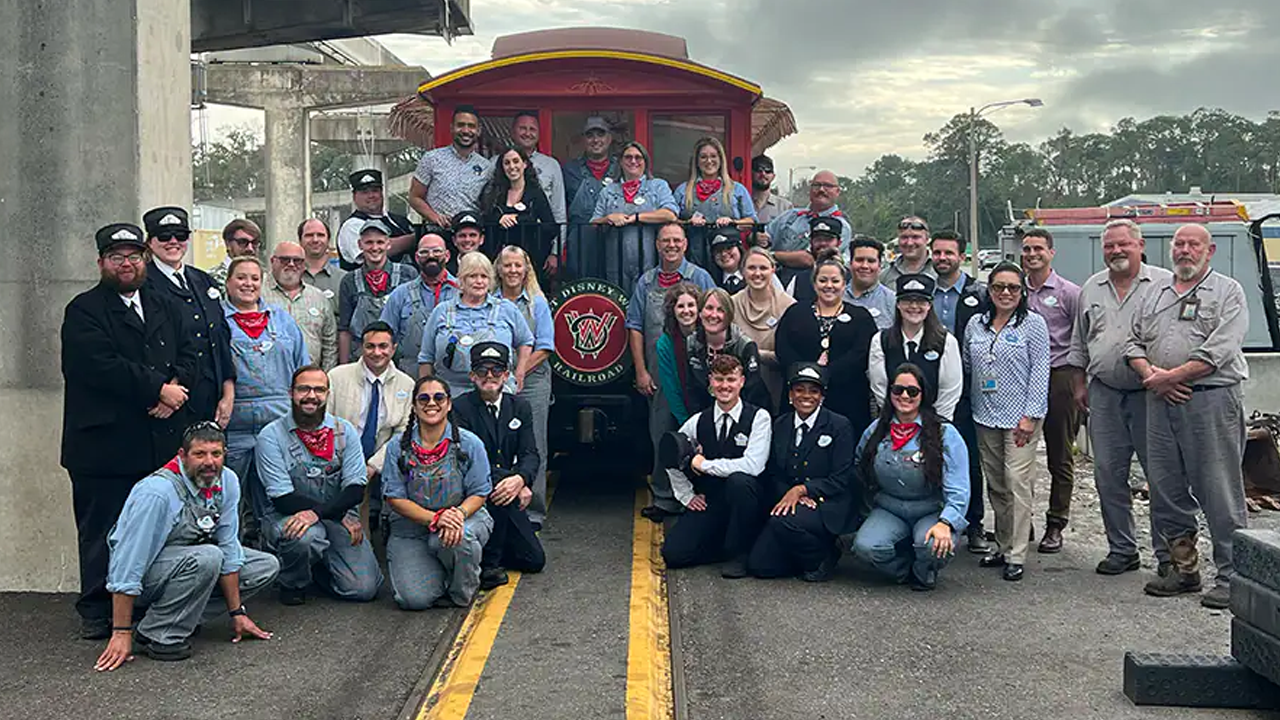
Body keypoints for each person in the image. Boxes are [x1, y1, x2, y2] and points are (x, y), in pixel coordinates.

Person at [61, 222, 199, 640]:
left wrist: (173, 393)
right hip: (103, 445)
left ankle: (143, 604)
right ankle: (98, 609)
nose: (127, 264)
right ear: (102, 262)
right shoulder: (83, 310)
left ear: (145, 259)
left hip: (156, 439)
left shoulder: (163, 303)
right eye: (117, 257)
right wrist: (157, 389)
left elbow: (190, 352)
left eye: (134, 256)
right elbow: (99, 366)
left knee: (153, 527)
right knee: (103, 530)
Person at [1125, 223, 1249, 609]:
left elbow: (1221, 349)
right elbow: (1132, 341)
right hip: (1160, 402)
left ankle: (1233, 577)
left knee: (1219, 490)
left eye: (1194, 244)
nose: (1184, 250)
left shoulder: (1228, 291)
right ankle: (1183, 570)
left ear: (1209, 252)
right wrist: (1151, 376)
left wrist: (1171, 377)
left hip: (1210, 400)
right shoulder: (1153, 293)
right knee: (1165, 488)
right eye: (1179, 244)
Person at [94, 423, 277, 669]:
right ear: (182, 455)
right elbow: (128, 563)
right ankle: (158, 632)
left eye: (216, 454)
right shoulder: (157, 493)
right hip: (147, 577)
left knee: (264, 565)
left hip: (190, 564)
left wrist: (237, 613)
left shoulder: (228, 481)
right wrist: (120, 631)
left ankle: (175, 618)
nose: (209, 462)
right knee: (209, 557)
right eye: (199, 454)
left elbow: (229, 546)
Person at [1066, 219, 1184, 578]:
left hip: (1152, 395)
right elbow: (1079, 340)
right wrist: (1079, 384)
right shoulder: (1092, 287)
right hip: (1104, 393)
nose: (1116, 251)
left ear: (1140, 245)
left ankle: (1168, 554)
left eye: (1123, 245)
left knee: (1162, 475)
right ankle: (1122, 549)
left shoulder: (1165, 284)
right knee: (1108, 474)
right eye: (1109, 246)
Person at [253, 366, 382, 605]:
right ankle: (293, 581)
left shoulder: (345, 432)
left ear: (327, 394)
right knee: (305, 538)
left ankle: (319, 569)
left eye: (319, 390)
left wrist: (323, 514)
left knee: (364, 590)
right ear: (291, 392)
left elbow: (355, 490)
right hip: (289, 516)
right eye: (304, 389)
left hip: (335, 517)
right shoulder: (270, 436)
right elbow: (283, 498)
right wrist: (333, 513)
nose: (311, 396)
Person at [964, 262, 1050, 582]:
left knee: (1017, 483)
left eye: (1013, 287)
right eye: (999, 286)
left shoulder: (1033, 325)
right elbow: (967, 364)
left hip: (1020, 419)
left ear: (1022, 292)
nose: (1005, 293)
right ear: (989, 290)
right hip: (984, 415)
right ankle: (1001, 545)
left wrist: (1030, 416)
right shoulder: (976, 324)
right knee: (997, 484)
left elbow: (1041, 371)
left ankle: (1017, 553)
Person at [851, 364, 970, 591]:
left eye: (912, 391)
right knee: (866, 547)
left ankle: (924, 570)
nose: (904, 396)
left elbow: (959, 487)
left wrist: (946, 522)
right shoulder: (876, 430)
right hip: (889, 508)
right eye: (898, 390)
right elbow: (859, 467)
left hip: (930, 509)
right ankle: (902, 570)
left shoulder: (944, 433)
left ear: (923, 395)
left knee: (933, 545)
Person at [626, 223, 716, 521]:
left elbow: (713, 319)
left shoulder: (700, 277)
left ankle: (702, 496)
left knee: (700, 436)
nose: (672, 245)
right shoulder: (646, 282)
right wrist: (641, 370)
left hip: (698, 375)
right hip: (661, 372)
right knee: (662, 435)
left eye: (677, 240)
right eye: (666, 241)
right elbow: (635, 327)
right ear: (657, 245)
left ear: (686, 244)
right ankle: (665, 499)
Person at [382, 375, 493, 609]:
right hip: (411, 530)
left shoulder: (470, 443)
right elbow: (394, 498)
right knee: (413, 600)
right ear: (413, 406)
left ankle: (462, 590)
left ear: (449, 403)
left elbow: (480, 493)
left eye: (438, 397)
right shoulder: (397, 447)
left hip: (463, 519)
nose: (431, 403)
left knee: (457, 538)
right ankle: (442, 572)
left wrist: (457, 516)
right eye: (423, 398)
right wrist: (436, 519)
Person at [660, 354, 772, 578]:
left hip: (747, 501)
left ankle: (739, 552)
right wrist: (686, 495)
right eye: (719, 380)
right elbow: (671, 456)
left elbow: (753, 465)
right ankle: (722, 544)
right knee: (674, 555)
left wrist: (704, 464)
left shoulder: (760, 418)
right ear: (710, 381)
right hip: (711, 501)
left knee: (740, 481)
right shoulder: (697, 421)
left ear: (742, 381)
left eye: (731, 379)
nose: (725, 386)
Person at [748, 363, 855, 582]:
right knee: (760, 566)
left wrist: (805, 490)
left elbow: (841, 478)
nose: (806, 396)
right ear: (790, 394)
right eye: (799, 389)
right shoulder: (780, 424)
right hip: (791, 502)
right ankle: (807, 554)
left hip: (827, 504)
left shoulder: (839, 426)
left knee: (781, 522)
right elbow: (774, 472)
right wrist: (791, 495)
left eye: (814, 390)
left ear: (822, 396)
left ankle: (822, 556)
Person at [452, 342, 547, 590]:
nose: (490, 377)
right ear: (473, 376)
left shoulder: (519, 407)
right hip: (473, 491)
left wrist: (521, 479)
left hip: (508, 488)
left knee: (534, 560)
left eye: (497, 371)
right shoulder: (460, 408)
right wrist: (512, 481)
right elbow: (469, 459)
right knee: (499, 493)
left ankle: (488, 550)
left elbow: (530, 454)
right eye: (482, 371)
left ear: (507, 375)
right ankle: (489, 565)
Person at [222, 257, 310, 500]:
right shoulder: (216, 321)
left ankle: (271, 539)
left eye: (255, 279)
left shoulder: (282, 320)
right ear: (228, 283)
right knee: (230, 497)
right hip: (234, 425)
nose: (248, 284)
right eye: (241, 277)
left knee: (276, 496)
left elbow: (303, 369)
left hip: (279, 421)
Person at [141, 206, 236, 426]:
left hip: (210, 397)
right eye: (164, 236)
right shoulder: (142, 285)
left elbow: (221, 340)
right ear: (150, 241)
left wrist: (228, 393)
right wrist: (163, 391)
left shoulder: (203, 281)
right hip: (169, 400)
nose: (173, 241)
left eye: (180, 235)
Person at [1020, 228, 1082, 554]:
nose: (1032, 254)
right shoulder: (1015, 291)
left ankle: (1056, 524)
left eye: (1038, 249)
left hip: (1059, 377)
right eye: (1027, 249)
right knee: (1018, 455)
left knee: (1059, 455)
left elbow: (1082, 337)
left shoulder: (1069, 293)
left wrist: (1079, 381)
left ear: (1051, 253)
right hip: (1022, 377)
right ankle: (1020, 521)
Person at [929, 230, 991, 553]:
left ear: (961, 254)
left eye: (948, 253)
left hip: (966, 389)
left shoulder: (978, 293)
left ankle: (974, 523)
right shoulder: (922, 291)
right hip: (924, 386)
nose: (942, 258)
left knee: (966, 457)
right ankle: (935, 520)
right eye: (937, 253)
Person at [775, 249, 877, 440]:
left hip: (846, 398)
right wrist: (807, 373)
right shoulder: (796, 312)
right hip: (800, 394)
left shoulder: (860, 316)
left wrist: (826, 374)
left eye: (835, 281)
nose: (829, 286)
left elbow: (861, 353)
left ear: (844, 283)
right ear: (814, 284)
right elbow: (783, 348)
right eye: (823, 280)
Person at [326, 321, 415, 533]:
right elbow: (326, 421)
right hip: (340, 455)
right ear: (361, 348)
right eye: (370, 346)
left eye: (383, 346)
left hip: (383, 458)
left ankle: (393, 541)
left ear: (393, 348)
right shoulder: (337, 377)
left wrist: (374, 465)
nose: (377, 352)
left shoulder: (407, 384)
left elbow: (403, 431)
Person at [496, 245, 555, 526]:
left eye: (518, 265)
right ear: (499, 269)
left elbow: (545, 347)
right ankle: (502, 503)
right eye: (507, 265)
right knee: (499, 443)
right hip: (494, 382)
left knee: (534, 445)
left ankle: (534, 511)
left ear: (526, 269)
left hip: (531, 382)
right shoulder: (491, 300)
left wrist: (516, 374)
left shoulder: (537, 302)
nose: (512, 271)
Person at [418, 251, 534, 395]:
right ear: (461, 280)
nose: (479, 281)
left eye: (484, 276)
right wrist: (427, 391)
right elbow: (426, 357)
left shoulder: (507, 309)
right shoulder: (441, 311)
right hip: (451, 393)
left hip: (497, 392)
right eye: (472, 276)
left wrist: (520, 372)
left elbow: (526, 341)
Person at [868, 274, 963, 421]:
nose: (914, 307)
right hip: (894, 422)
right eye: (907, 301)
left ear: (929, 305)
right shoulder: (881, 341)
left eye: (921, 301)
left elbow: (949, 391)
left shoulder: (946, 342)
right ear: (898, 304)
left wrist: (935, 424)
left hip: (934, 424)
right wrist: (900, 418)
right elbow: (879, 386)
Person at [590, 140, 679, 295]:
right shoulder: (608, 191)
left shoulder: (658, 186)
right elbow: (593, 222)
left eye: (638, 158)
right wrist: (608, 218)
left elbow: (670, 214)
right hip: (615, 262)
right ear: (621, 162)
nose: (633, 161)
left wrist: (636, 217)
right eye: (628, 157)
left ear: (645, 162)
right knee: (618, 303)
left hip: (649, 260)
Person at [379, 233, 459, 377]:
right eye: (424, 252)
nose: (431, 256)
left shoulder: (462, 292)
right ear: (416, 258)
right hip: (409, 376)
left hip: (453, 377)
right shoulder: (400, 294)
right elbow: (384, 336)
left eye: (437, 251)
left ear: (447, 256)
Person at [337, 219, 413, 364]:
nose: (374, 247)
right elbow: (344, 329)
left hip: (399, 359)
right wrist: (344, 366)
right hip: (361, 357)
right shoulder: (349, 281)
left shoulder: (407, 274)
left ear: (388, 244)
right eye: (369, 242)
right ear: (360, 245)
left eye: (380, 242)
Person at [731, 247, 795, 413]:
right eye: (752, 268)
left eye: (763, 268)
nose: (757, 273)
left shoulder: (789, 306)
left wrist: (755, 353)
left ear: (773, 270)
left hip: (777, 385)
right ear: (743, 271)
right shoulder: (731, 305)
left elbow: (791, 355)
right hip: (740, 389)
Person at [686, 287, 770, 414]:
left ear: (729, 315)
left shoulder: (746, 346)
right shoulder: (691, 343)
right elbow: (691, 390)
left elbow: (753, 392)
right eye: (709, 308)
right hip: (704, 415)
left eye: (721, 310)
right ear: (700, 313)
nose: (713, 315)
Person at [673, 136, 757, 263]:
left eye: (713, 156)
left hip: (728, 260)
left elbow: (752, 220)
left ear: (721, 159)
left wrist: (732, 222)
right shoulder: (683, 190)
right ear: (696, 161)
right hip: (692, 258)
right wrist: (688, 222)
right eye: (703, 157)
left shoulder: (737, 189)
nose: (709, 161)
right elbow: (671, 221)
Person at [409, 105, 494, 230]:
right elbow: (414, 197)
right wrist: (435, 217)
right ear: (452, 128)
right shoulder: (431, 158)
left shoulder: (487, 167)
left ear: (479, 130)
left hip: (469, 237)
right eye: (460, 125)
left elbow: (488, 205)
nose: (466, 131)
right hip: (438, 236)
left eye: (471, 126)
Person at [263, 241, 338, 371]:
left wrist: (324, 378)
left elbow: (330, 344)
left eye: (297, 261)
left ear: (304, 265)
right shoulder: (258, 294)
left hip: (310, 383)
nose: (291, 264)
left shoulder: (318, 298)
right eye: (284, 260)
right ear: (272, 261)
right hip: (269, 380)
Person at [480, 146, 558, 269]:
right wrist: (499, 219)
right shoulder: (494, 192)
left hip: (529, 261)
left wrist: (521, 221)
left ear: (525, 164)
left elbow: (551, 227)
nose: (512, 167)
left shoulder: (535, 193)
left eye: (516, 161)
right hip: (498, 260)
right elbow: (484, 219)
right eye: (507, 163)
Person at [510, 111, 567, 274]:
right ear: (513, 131)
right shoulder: (497, 162)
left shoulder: (551, 165)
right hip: (505, 245)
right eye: (522, 128)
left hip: (540, 246)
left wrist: (555, 252)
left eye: (532, 129)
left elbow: (559, 210)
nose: (527, 133)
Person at [562, 116, 619, 278]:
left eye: (600, 134)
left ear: (609, 138)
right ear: (583, 140)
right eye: (590, 135)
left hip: (613, 238)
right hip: (580, 242)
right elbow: (559, 207)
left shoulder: (621, 168)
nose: (595, 140)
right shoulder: (569, 169)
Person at [765, 170, 851, 272]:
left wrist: (770, 255)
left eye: (828, 186)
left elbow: (808, 259)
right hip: (774, 278)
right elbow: (765, 237)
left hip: (814, 282)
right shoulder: (791, 216)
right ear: (810, 190)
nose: (821, 190)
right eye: (816, 185)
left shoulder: (841, 226)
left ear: (837, 192)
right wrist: (758, 238)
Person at [336, 169, 418, 269]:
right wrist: (416, 237)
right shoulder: (351, 226)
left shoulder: (400, 221)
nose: (371, 196)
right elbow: (376, 252)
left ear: (382, 193)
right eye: (365, 192)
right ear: (354, 196)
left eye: (375, 190)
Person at [656, 282, 704, 429]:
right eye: (680, 306)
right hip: (684, 412)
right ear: (673, 310)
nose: (686, 311)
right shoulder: (665, 343)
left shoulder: (709, 333)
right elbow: (671, 389)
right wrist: (686, 423)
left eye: (691, 305)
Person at [778, 215, 844, 304]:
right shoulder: (798, 279)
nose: (822, 243)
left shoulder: (848, 277)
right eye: (818, 239)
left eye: (828, 239)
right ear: (811, 242)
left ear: (839, 243)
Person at [844, 235, 896, 330]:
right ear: (850, 263)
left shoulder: (892, 302)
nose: (865, 266)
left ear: (880, 265)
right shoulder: (836, 297)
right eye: (859, 260)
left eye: (871, 261)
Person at [298, 218, 346, 320]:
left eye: (320, 235)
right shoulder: (290, 277)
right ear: (300, 241)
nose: (315, 240)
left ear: (328, 240)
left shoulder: (344, 279)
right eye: (309, 235)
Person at [880, 216, 936, 287]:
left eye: (915, 237)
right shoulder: (885, 276)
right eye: (904, 237)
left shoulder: (940, 271)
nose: (909, 243)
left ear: (927, 239)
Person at [209, 219, 263, 291]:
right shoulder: (212, 278)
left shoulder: (264, 278)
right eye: (242, 242)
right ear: (228, 244)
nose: (250, 248)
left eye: (254, 243)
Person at [749, 154, 792, 228]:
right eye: (758, 170)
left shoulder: (785, 207)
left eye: (768, 171)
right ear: (750, 173)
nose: (763, 174)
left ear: (773, 176)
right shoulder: (741, 204)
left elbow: (789, 235)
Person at [446, 210, 487, 277]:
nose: (467, 240)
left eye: (472, 235)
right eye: (462, 235)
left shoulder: (491, 269)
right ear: (454, 240)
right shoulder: (446, 271)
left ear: (481, 239)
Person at [709, 227, 748, 294]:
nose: (724, 254)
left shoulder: (751, 276)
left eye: (729, 248)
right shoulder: (711, 281)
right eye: (718, 250)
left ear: (740, 249)